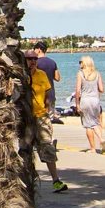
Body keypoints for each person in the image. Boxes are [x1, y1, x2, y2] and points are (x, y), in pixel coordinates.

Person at [27, 58, 66, 191]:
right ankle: (26, 182)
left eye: (34, 59)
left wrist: (48, 114)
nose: (32, 62)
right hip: (25, 118)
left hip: (41, 117)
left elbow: (47, 95)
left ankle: (56, 180)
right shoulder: (21, 76)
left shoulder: (41, 74)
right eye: (29, 59)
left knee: (47, 147)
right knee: (25, 149)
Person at [72, 57, 105, 154]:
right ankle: (101, 139)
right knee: (95, 123)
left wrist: (77, 104)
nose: (79, 64)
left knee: (88, 125)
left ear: (84, 63)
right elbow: (102, 89)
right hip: (95, 100)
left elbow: (78, 90)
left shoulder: (80, 74)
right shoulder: (97, 74)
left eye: (80, 62)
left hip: (85, 100)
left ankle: (93, 148)